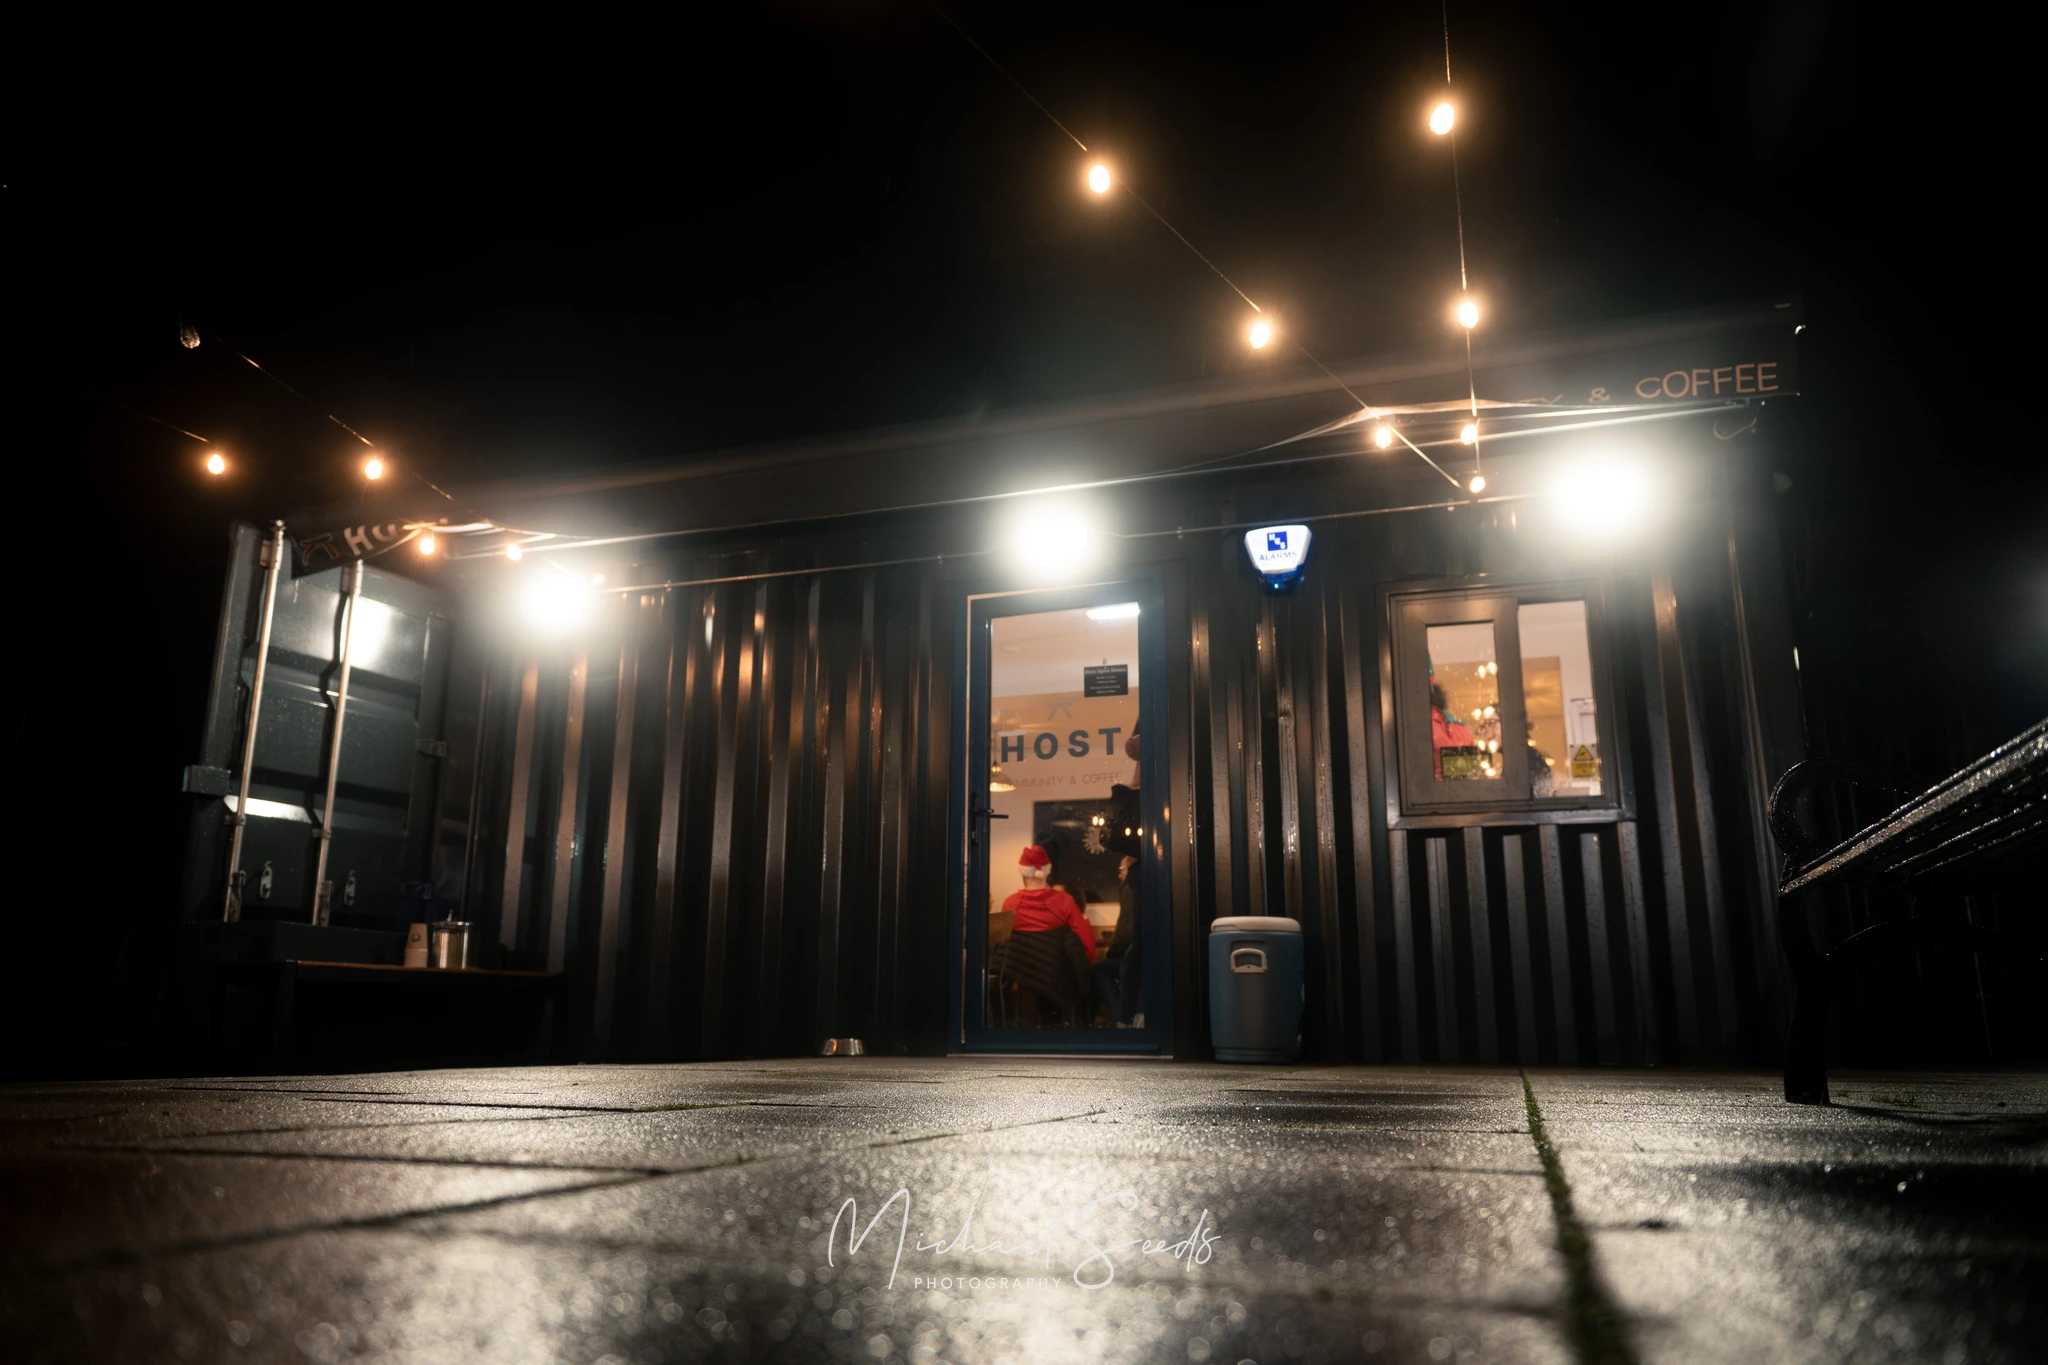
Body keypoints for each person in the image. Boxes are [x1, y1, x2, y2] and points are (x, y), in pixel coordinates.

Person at [999, 846, 1096, 1026]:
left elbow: (1003, 946)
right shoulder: (1064, 901)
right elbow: (1085, 941)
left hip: (1020, 979)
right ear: (1046, 872)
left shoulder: (1010, 903)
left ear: (1023, 874)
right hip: (1059, 981)